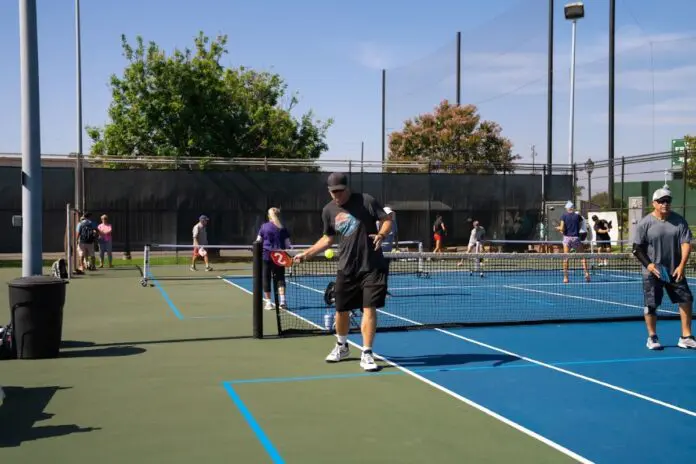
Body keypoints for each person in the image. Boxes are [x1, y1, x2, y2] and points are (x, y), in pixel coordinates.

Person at [294, 172, 392, 372]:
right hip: (346, 267)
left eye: (340, 191)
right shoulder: (328, 210)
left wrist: (381, 234)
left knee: (369, 308)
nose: (336, 195)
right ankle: (342, 346)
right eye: (333, 192)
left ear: (348, 188)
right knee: (341, 310)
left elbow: (387, 219)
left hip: (372, 265)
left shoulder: (366, 201)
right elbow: (327, 239)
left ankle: (366, 352)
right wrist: (306, 254)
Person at [632, 187, 696, 350]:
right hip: (653, 272)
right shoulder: (645, 223)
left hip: (675, 270)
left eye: (667, 201)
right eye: (661, 201)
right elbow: (637, 248)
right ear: (654, 203)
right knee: (651, 305)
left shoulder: (679, 221)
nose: (665, 204)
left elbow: (686, 243)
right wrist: (650, 265)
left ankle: (686, 337)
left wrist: (682, 265)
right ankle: (652, 337)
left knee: (686, 300)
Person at [256, 207, 292, 311]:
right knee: (280, 278)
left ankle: (268, 303)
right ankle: (283, 301)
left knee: (266, 278)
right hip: (280, 256)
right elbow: (288, 245)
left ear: (269, 216)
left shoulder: (264, 227)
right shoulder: (283, 228)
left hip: (266, 256)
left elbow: (258, 241)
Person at [556, 201, 590, 283]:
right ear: (573, 208)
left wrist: (557, 228)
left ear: (567, 208)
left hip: (567, 239)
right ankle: (587, 274)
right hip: (576, 238)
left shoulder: (564, 216)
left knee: (566, 258)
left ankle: (565, 278)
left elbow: (562, 228)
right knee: (582, 257)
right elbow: (581, 225)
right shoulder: (578, 216)